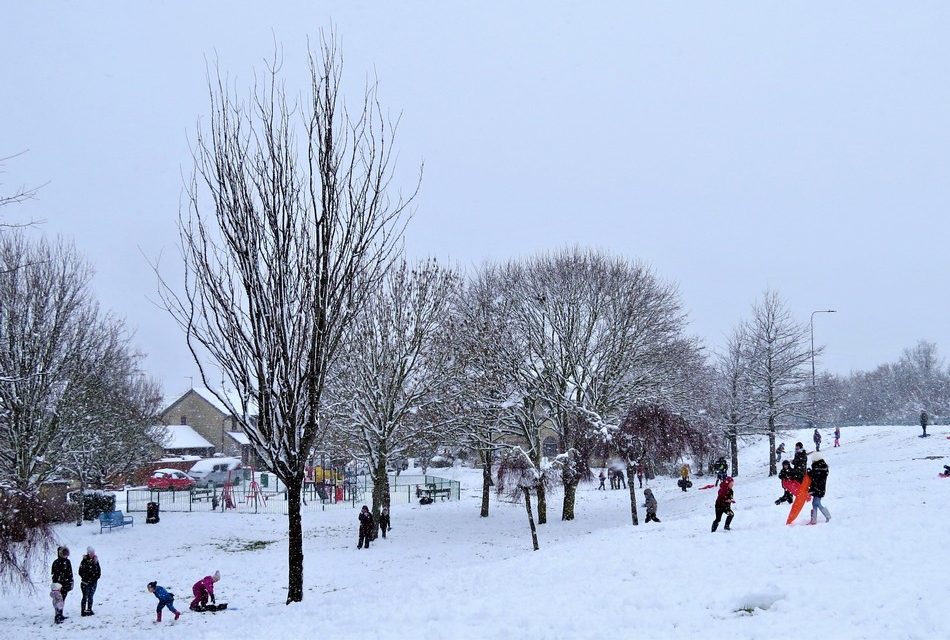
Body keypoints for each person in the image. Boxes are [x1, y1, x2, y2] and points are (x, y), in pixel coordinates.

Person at [808, 455, 831, 524]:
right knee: (814, 503)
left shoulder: (817, 468)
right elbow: (816, 477)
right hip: (820, 488)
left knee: (817, 503)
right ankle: (813, 519)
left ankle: (828, 516)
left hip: (818, 488)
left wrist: (810, 473)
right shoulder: (822, 467)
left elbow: (815, 478)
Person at [78, 546, 100, 616]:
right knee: (85, 596)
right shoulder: (84, 561)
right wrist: (86, 578)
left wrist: (95, 578)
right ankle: (83, 611)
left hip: (93, 582)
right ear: (88, 553)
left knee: (91, 596)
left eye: (93, 552)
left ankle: (89, 609)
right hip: (85, 583)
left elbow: (99, 571)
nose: (92, 554)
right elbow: (80, 572)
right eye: (91, 553)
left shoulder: (96, 561)